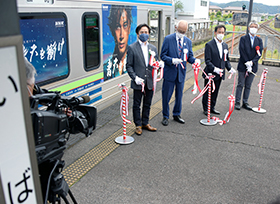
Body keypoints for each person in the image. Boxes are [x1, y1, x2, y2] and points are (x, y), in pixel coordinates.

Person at [160, 20, 200, 126]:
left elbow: (189, 56)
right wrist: (172, 60)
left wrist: (195, 61)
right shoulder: (168, 39)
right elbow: (162, 55)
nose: (181, 33)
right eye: (180, 30)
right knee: (166, 95)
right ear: (176, 28)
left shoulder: (188, 41)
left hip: (181, 73)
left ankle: (177, 114)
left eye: (184, 31)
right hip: (170, 72)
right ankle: (165, 116)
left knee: (179, 95)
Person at [126, 23, 160, 135]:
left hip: (150, 80)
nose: (144, 34)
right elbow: (129, 66)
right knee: (136, 104)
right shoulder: (132, 48)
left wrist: (159, 66)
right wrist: (135, 77)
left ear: (149, 34)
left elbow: (156, 63)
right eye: (142, 32)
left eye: (146, 32)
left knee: (148, 103)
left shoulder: (153, 48)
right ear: (137, 34)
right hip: (138, 81)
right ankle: (138, 125)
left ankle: (145, 122)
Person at [202, 25, 236, 115]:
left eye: (222, 32)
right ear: (215, 33)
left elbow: (226, 59)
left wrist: (230, 68)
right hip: (210, 73)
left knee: (215, 91)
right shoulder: (209, 45)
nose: (221, 34)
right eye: (219, 32)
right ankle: (206, 108)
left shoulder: (225, 45)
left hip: (220, 73)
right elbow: (207, 60)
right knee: (208, 91)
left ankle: (212, 107)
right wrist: (214, 69)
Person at [235, 21, 263, 111]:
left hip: (253, 67)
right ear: (248, 28)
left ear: (257, 29)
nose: (253, 28)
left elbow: (259, 54)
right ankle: (237, 102)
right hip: (243, 65)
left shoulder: (259, 40)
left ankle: (245, 102)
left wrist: (252, 63)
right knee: (240, 84)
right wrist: (247, 62)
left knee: (248, 85)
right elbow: (242, 51)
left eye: (255, 26)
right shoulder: (243, 38)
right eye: (252, 26)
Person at [103, 5, 132, 80]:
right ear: (112, 30)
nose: (121, 36)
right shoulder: (106, 69)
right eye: (117, 27)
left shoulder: (135, 60)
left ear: (129, 28)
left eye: (125, 25)